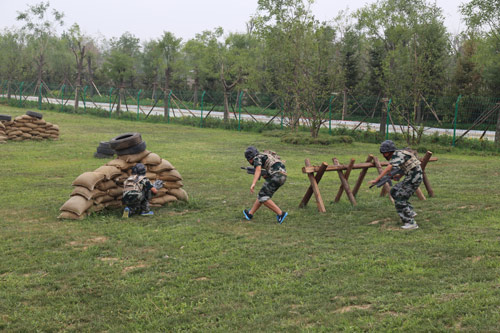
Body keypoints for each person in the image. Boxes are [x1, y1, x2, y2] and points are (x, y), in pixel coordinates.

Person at [368, 140, 423, 229]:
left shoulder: (397, 155)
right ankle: (410, 212)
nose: (384, 155)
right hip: (411, 177)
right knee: (394, 191)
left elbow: (389, 168)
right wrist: (399, 176)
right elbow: (406, 166)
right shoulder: (400, 153)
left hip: (413, 179)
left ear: (390, 151)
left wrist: (376, 180)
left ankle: (411, 222)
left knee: (400, 198)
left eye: (384, 153)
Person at [243, 146, 288, 224]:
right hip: (282, 176)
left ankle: (280, 213)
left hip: (276, 176)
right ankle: (250, 214)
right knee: (262, 194)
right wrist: (266, 176)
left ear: (250, 158)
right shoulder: (264, 155)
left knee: (263, 197)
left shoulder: (256, 158)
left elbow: (258, 170)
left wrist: (253, 183)